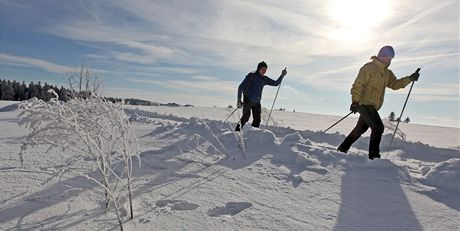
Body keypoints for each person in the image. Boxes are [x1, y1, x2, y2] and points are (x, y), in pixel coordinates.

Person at [337, 46, 420, 159]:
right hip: (364, 104)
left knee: (360, 129)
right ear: (380, 55)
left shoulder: (387, 73)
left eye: (390, 58)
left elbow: (395, 84)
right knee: (378, 127)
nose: (387, 59)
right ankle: (374, 156)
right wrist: (355, 101)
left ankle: (342, 149)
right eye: (385, 56)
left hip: (373, 106)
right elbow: (358, 84)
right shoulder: (369, 67)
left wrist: (410, 78)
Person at [235, 61, 287, 131]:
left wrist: (282, 75)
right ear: (259, 68)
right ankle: (237, 131)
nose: (264, 71)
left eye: (265, 70)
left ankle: (253, 134)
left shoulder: (264, 79)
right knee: (246, 117)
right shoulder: (251, 76)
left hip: (257, 102)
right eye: (263, 69)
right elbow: (241, 87)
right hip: (248, 99)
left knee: (257, 120)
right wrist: (239, 99)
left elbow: (276, 83)